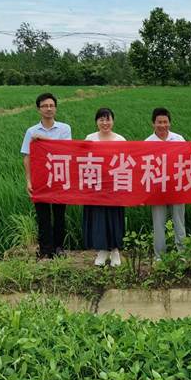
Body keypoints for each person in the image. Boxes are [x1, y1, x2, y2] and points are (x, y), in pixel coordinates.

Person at [21, 93, 72, 260]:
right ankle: (45, 249)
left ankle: (58, 248)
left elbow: (64, 149)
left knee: (59, 215)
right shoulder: (31, 131)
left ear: (55, 108)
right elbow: (27, 157)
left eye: (51, 105)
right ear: (39, 109)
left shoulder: (65, 128)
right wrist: (28, 180)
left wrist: (42, 139)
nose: (48, 109)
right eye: (44, 106)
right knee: (43, 216)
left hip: (59, 177)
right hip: (40, 179)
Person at [83, 108, 126, 267]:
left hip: (115, 186)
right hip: (96, 186)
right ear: (96, 122)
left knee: (114, 217)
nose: (105, 123)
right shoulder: (90, 139)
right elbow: (82, 160)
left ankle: (115, 251)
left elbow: (127, 162)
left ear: (113, 121)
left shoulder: (120, 140)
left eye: (108, 119)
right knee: (99, 218)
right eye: (101, 119)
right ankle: (102, 250)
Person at [145, 107, 186, 260]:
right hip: (157, 189)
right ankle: (159, 257)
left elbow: (189, 158)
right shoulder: (147, 143)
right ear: (153, 123)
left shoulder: (179, 139)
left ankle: (182, 254)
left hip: (176, 187)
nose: (162, 125)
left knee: (179, 222)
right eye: (159, 122)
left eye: (165, 122)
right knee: (158, 224)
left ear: (170, 123)